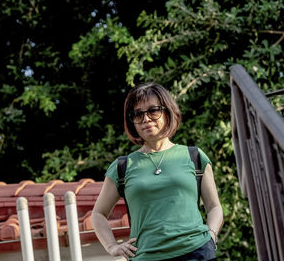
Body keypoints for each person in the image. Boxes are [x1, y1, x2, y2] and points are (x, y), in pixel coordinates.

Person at [91, 82, 223, 261]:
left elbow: (214, 206)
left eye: (153, 111)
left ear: (168, 112)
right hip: (146, 256)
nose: (146, 119)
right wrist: (112, 247)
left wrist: (211, 236)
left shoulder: (194, 156)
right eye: (138, 114)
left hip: (197, 253)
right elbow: (98, 214)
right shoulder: (122, 166)